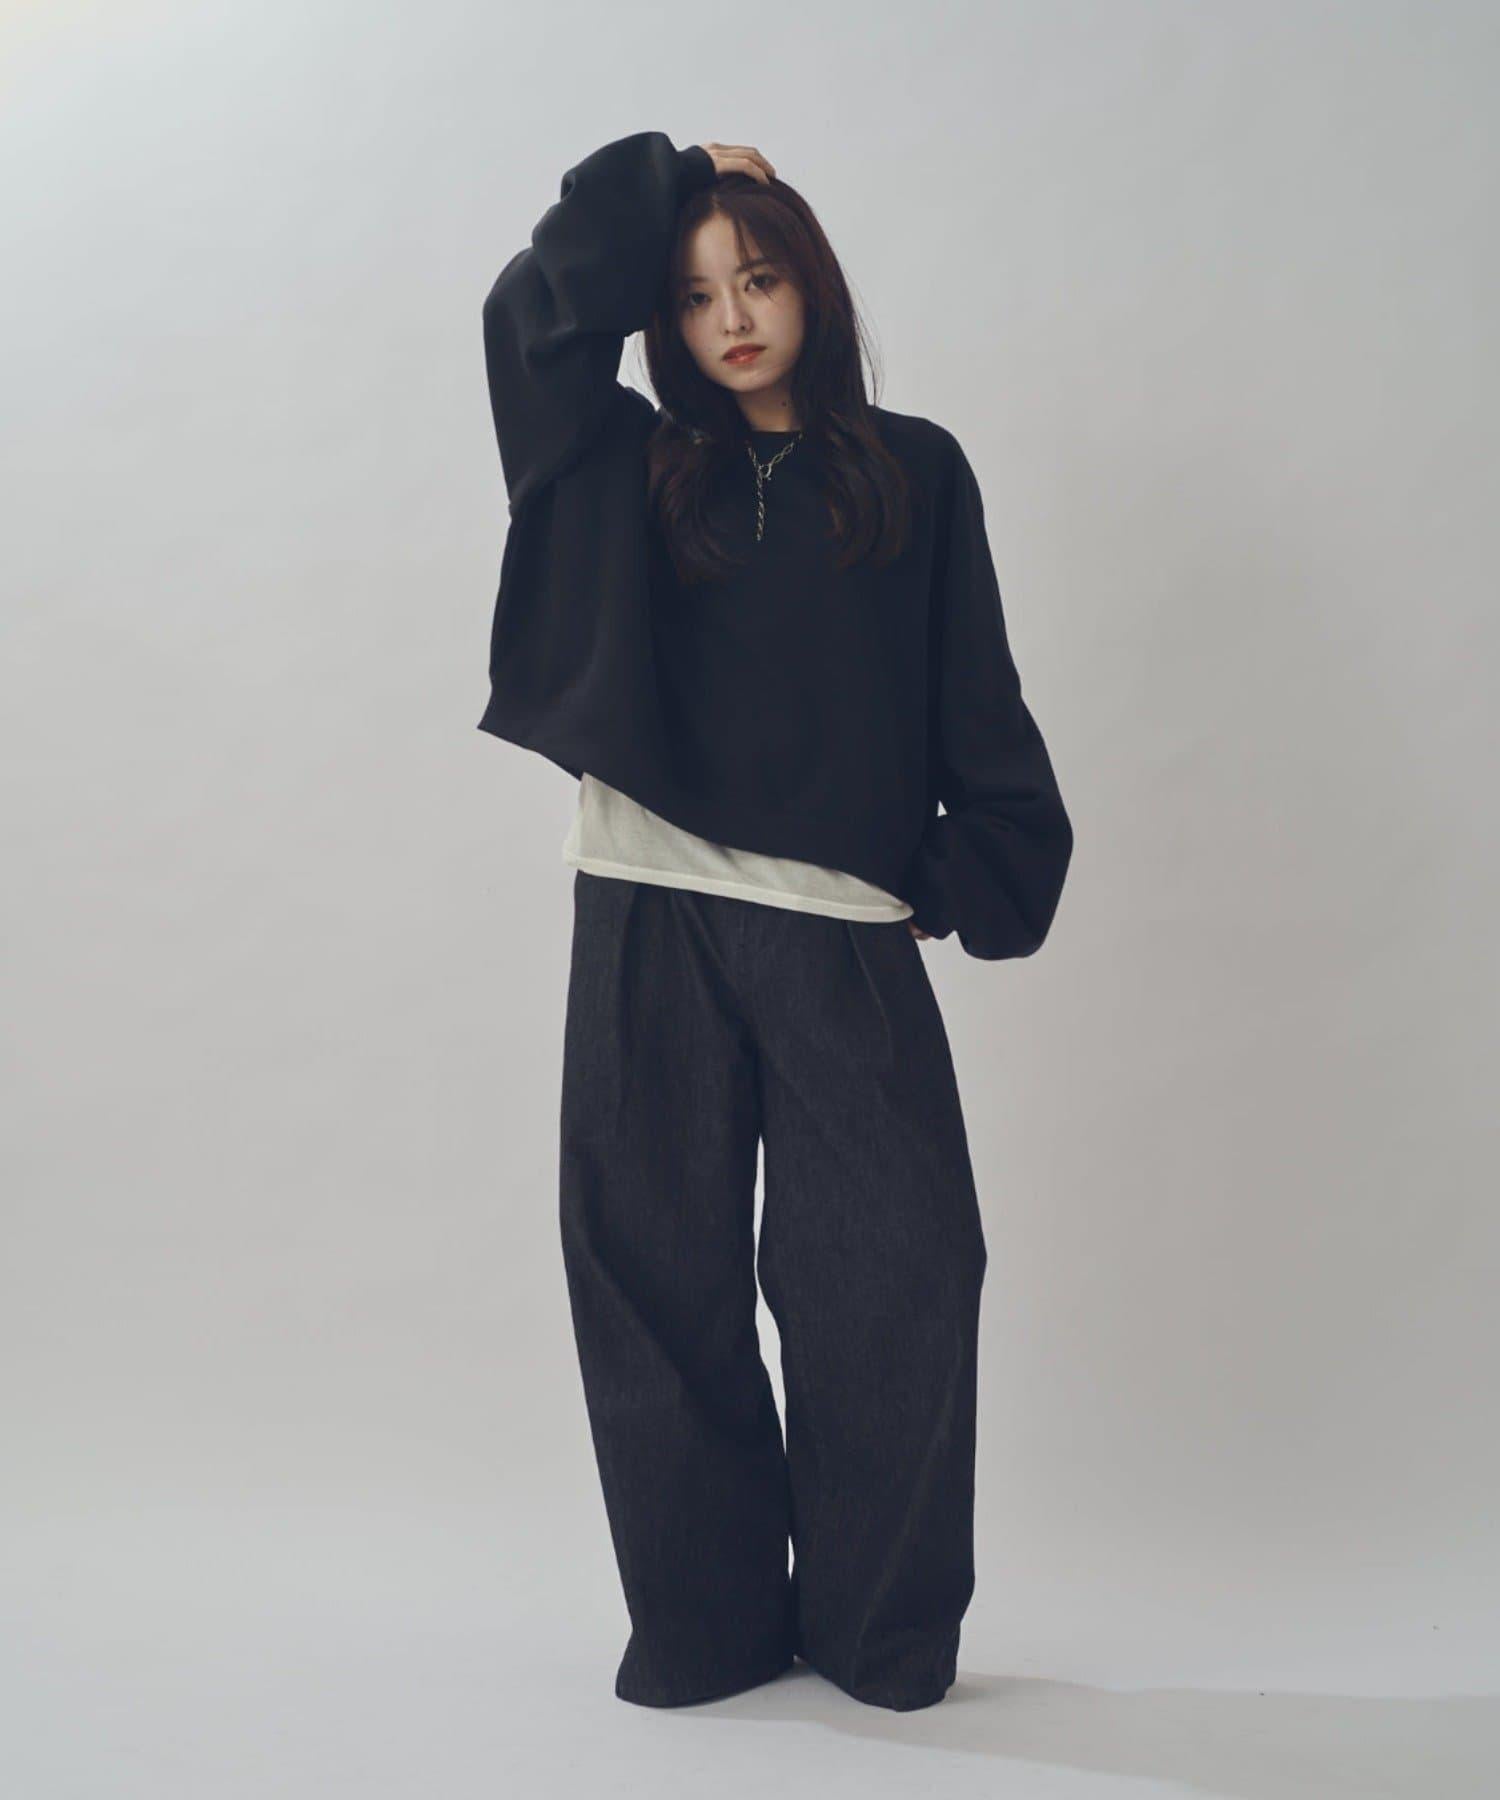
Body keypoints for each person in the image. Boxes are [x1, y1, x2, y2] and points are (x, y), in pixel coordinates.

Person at [477, 131, 1073, 1712]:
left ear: (813, 284)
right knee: (650, 1272)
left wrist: (966, 869)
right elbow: (529, 312)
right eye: (691, 294)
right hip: (645, 905)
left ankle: (878, 1635)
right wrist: (670, 169)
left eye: (757, 277)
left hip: (833, 925)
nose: (731, 317)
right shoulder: (624, 460)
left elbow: (973, 685)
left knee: (903, 1266)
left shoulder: (912, 469)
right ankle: (710, 1629)